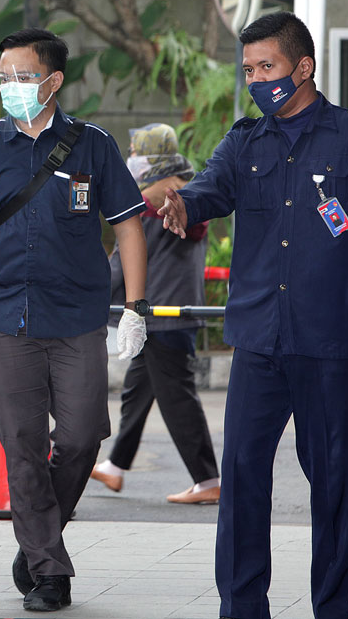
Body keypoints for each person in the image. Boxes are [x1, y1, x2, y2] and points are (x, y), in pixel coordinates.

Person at [159, 11, 348, 619]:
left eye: (268, 67)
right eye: (249, 70)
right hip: (259, 341)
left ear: (303, 67)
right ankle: (242, 608)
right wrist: (183, 204)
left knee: (337, 485)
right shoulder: (245, 141)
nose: (257, 80)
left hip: (332, 343)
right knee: (241, 479)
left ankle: (331, 610)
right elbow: (210, 188)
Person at [0, 27, 149, 612]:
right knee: (23, 445)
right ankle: (50, 571)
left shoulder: (93, 145)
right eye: (4, 76)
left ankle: (37, 539)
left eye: (24, 76)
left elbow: (129, 225)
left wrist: (136, 307)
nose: (11, 85)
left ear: (53, 81)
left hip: (78, 317)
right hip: (6, 320)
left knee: (82, 438)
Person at [90, 123, 220, 504]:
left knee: (177, 398)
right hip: (172, 310)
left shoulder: (147, 200)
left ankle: (207, 479)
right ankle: (116, 466)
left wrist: (91, 294)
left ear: (150, 155)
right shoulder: (187, 191)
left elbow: (123, 260)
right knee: (138, 390)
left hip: (159, 312)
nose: (130, 155)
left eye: (135, 150)